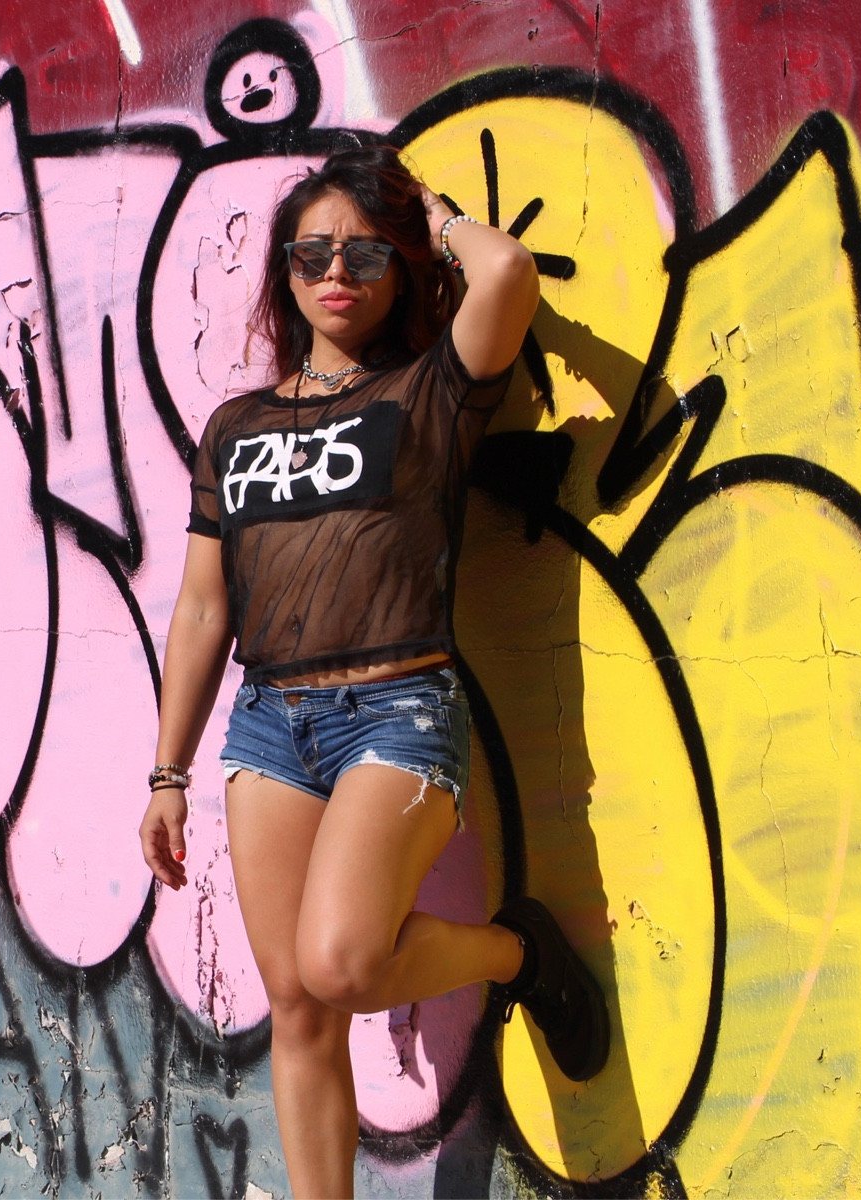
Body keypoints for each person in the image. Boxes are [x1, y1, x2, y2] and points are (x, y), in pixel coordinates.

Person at [136, 142, 609, 1198]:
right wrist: (166, 773)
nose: (335, 271)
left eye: (362, 252)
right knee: (296, 1007)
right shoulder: (235, 428)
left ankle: (513, 959)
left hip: (397, 709)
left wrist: (430, 215)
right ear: (283, 273)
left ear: (398, 267)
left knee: (342, 965)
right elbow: (204, 605)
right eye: (311, 252)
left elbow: (505, 278)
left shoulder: (429, 390)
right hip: (266, 723)